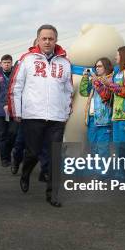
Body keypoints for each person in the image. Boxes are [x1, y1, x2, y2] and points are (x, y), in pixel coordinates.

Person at [9, 24, 73, 207]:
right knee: (33, 153)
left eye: (50, 38)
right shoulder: (27, 59)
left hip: (56, 118)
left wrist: (66, 112)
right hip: (33, 115)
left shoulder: (65, 63)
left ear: (56, 40)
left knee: (54, 156)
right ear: (38, 40)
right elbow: (16, 87)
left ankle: (52, 194)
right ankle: (26, 172)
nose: (47, 41)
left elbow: (69, 90)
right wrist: (17, 112)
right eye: (44, 38)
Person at [79, 58, 113, 157]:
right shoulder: (94, 80)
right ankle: (97, 170)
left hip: (104, 119)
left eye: (100, 66)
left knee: (103, 149)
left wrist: (96, 81)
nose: (97, 69)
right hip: (92, 118)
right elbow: (84, 92)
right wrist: (85, 77)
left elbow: (106, 95)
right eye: (96, 66)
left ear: (106, 67)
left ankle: (105, 171)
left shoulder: (111, 79)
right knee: (93, 148)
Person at [0, 54, 18, 167]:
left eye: (8, 62)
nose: (6, 64)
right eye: (4, 62)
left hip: (13, 109)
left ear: (11, 63)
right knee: (1, 135)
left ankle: (8, 152)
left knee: (13, 133)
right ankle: (5, 159)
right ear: (1, 64)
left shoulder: (17, 74)